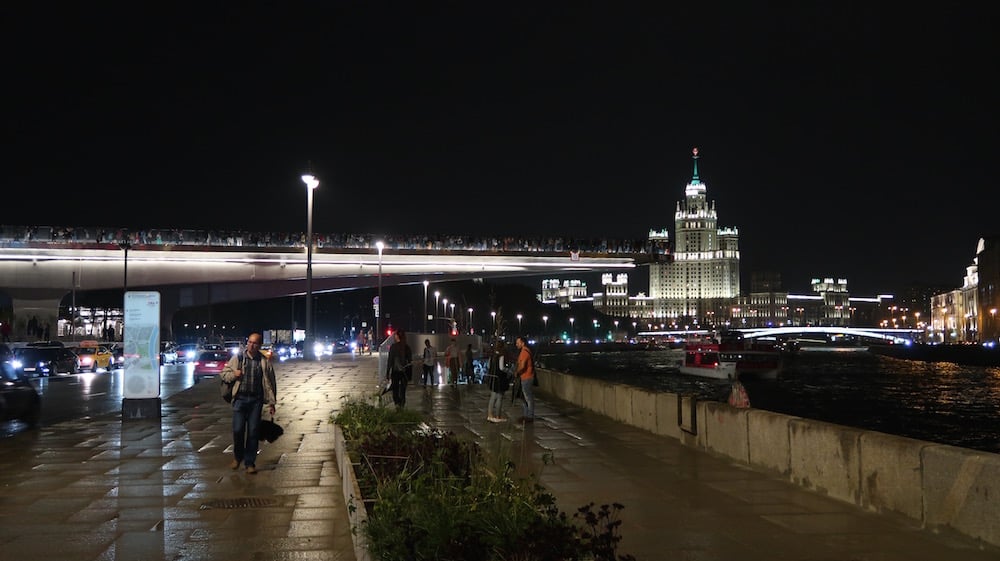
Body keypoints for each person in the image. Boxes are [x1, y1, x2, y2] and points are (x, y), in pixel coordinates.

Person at [220, 332, 277, 475]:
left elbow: (271, 383)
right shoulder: (238, 358)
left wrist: (272, 403)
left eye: (255, 343)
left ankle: (250, 462)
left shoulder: (264, 361)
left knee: (253, 433)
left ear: (259, 345)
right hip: (240, 400)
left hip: (255, 401)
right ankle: (238, 457)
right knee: (238, 430)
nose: (252, 345)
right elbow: (224, 374)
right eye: (250, 342)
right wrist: (235, 374)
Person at [385, 329, 412, 409]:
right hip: (404, 373)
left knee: (395, 390)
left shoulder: (393, 347)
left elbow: (390, 360)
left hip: (396, 372)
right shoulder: (407, 347)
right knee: (402, 391)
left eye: (395, 335)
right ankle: (402, 405)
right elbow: (410, 362)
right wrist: (410, 375)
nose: (394, 336)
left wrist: (387, 372)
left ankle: (397, 404)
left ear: (397, 336)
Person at [485, 340, 510, 422]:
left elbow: (488, 366)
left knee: (492, 396)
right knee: (499, 397)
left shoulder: (492, 356)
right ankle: (497, 416)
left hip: (493, 378)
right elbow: (502, 368)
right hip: (500, 378)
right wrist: (509, 371)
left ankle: (490, 414)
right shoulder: (501, 356)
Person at [514, 336, 536, 425]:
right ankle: (526, 415)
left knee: (528, 397)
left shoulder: (524, 352)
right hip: (526, 377)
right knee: (525, 398)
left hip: (526, 377)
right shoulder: (526, 351)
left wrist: (517, 372)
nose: (516, 344)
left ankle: (529, 416)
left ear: (523, 343)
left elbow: (522, 366)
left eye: (518, 343)